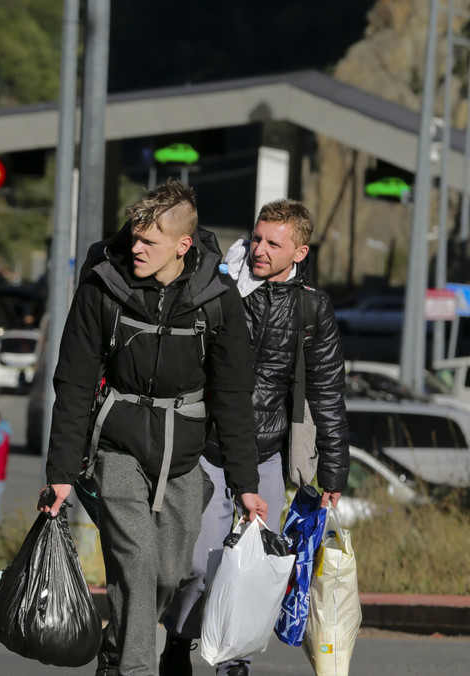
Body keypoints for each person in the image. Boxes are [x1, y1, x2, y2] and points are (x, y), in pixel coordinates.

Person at [39, 180, 268, 676]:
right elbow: (74, 383)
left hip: (183, 453)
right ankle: (135, 669)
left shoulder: (217, 297)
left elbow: (231, 396)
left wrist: (245, 484)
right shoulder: (103, 286)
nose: (136, 249)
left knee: (172, 572)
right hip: (116, 446)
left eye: (150, 242)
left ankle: (118, 647)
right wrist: (60, 470)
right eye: (135, 237)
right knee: (137, 564)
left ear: (183, 246)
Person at [160, 199, 350, 676]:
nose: (260, 249)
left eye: (273, 243)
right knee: (199, 567)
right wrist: (228, 285)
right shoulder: (226, 287)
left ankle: (235, 659)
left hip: (265, 452)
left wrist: (333, 469)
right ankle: (178, 641)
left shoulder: (312, 307)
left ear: (300, 252)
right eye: (257, 238)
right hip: (205, 447)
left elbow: (328, 390)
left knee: (255, 565)